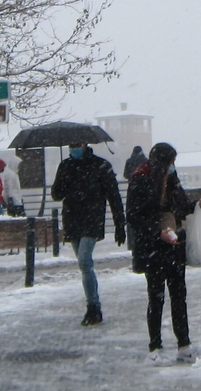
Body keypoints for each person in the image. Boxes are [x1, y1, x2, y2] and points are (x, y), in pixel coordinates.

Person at [126, 142, 193, 363]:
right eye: (171, 162)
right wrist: (157, 233)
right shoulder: (141, 179)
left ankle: (184, 343)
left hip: (173, 246)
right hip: (153, 247)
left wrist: (198, 205)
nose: (173, 166)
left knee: (178, 295)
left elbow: (182, 206)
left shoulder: (171, 180)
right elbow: (135, 216)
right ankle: (155, 345)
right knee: (156, 298)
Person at [51, 142, 126, 326]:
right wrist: (64, 181)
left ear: (85, 145)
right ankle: (93, 305)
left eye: (76, 145)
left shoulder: (100, 165)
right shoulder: (65, 166)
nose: (73, 148)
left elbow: (113, 195)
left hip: (92, 219)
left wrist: (119, 224)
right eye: (70, 145)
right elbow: (56, 194)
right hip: (72, 219)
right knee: (83, 263)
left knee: (85, 261)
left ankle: (93, 306)